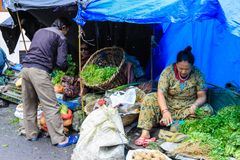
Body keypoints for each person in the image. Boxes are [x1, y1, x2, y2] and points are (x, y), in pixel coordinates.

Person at [135, 46, 213, 146]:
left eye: (187, 69)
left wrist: (195, 105)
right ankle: (145, 133)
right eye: (181, 68)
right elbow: (160, 93)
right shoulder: (168, 72)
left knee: (207, 110)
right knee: (149, 98)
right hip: (168, 105)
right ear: (176, 64)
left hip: (187, 108)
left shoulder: (197, 74)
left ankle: (176, 124)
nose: (184, 71)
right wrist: (165, 111)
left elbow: (202, 96)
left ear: (192, 66)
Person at [21, 17, 78, 148]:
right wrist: (63, 70)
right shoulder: (61, 37)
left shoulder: (39, 31)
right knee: (51, 106)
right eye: (67, 30)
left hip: (25, 69)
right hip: (39, 71)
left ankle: (32, 134)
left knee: (29, 104)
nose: (66, 33)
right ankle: (60, 139)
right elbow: (62, 62)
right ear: (63, 27)